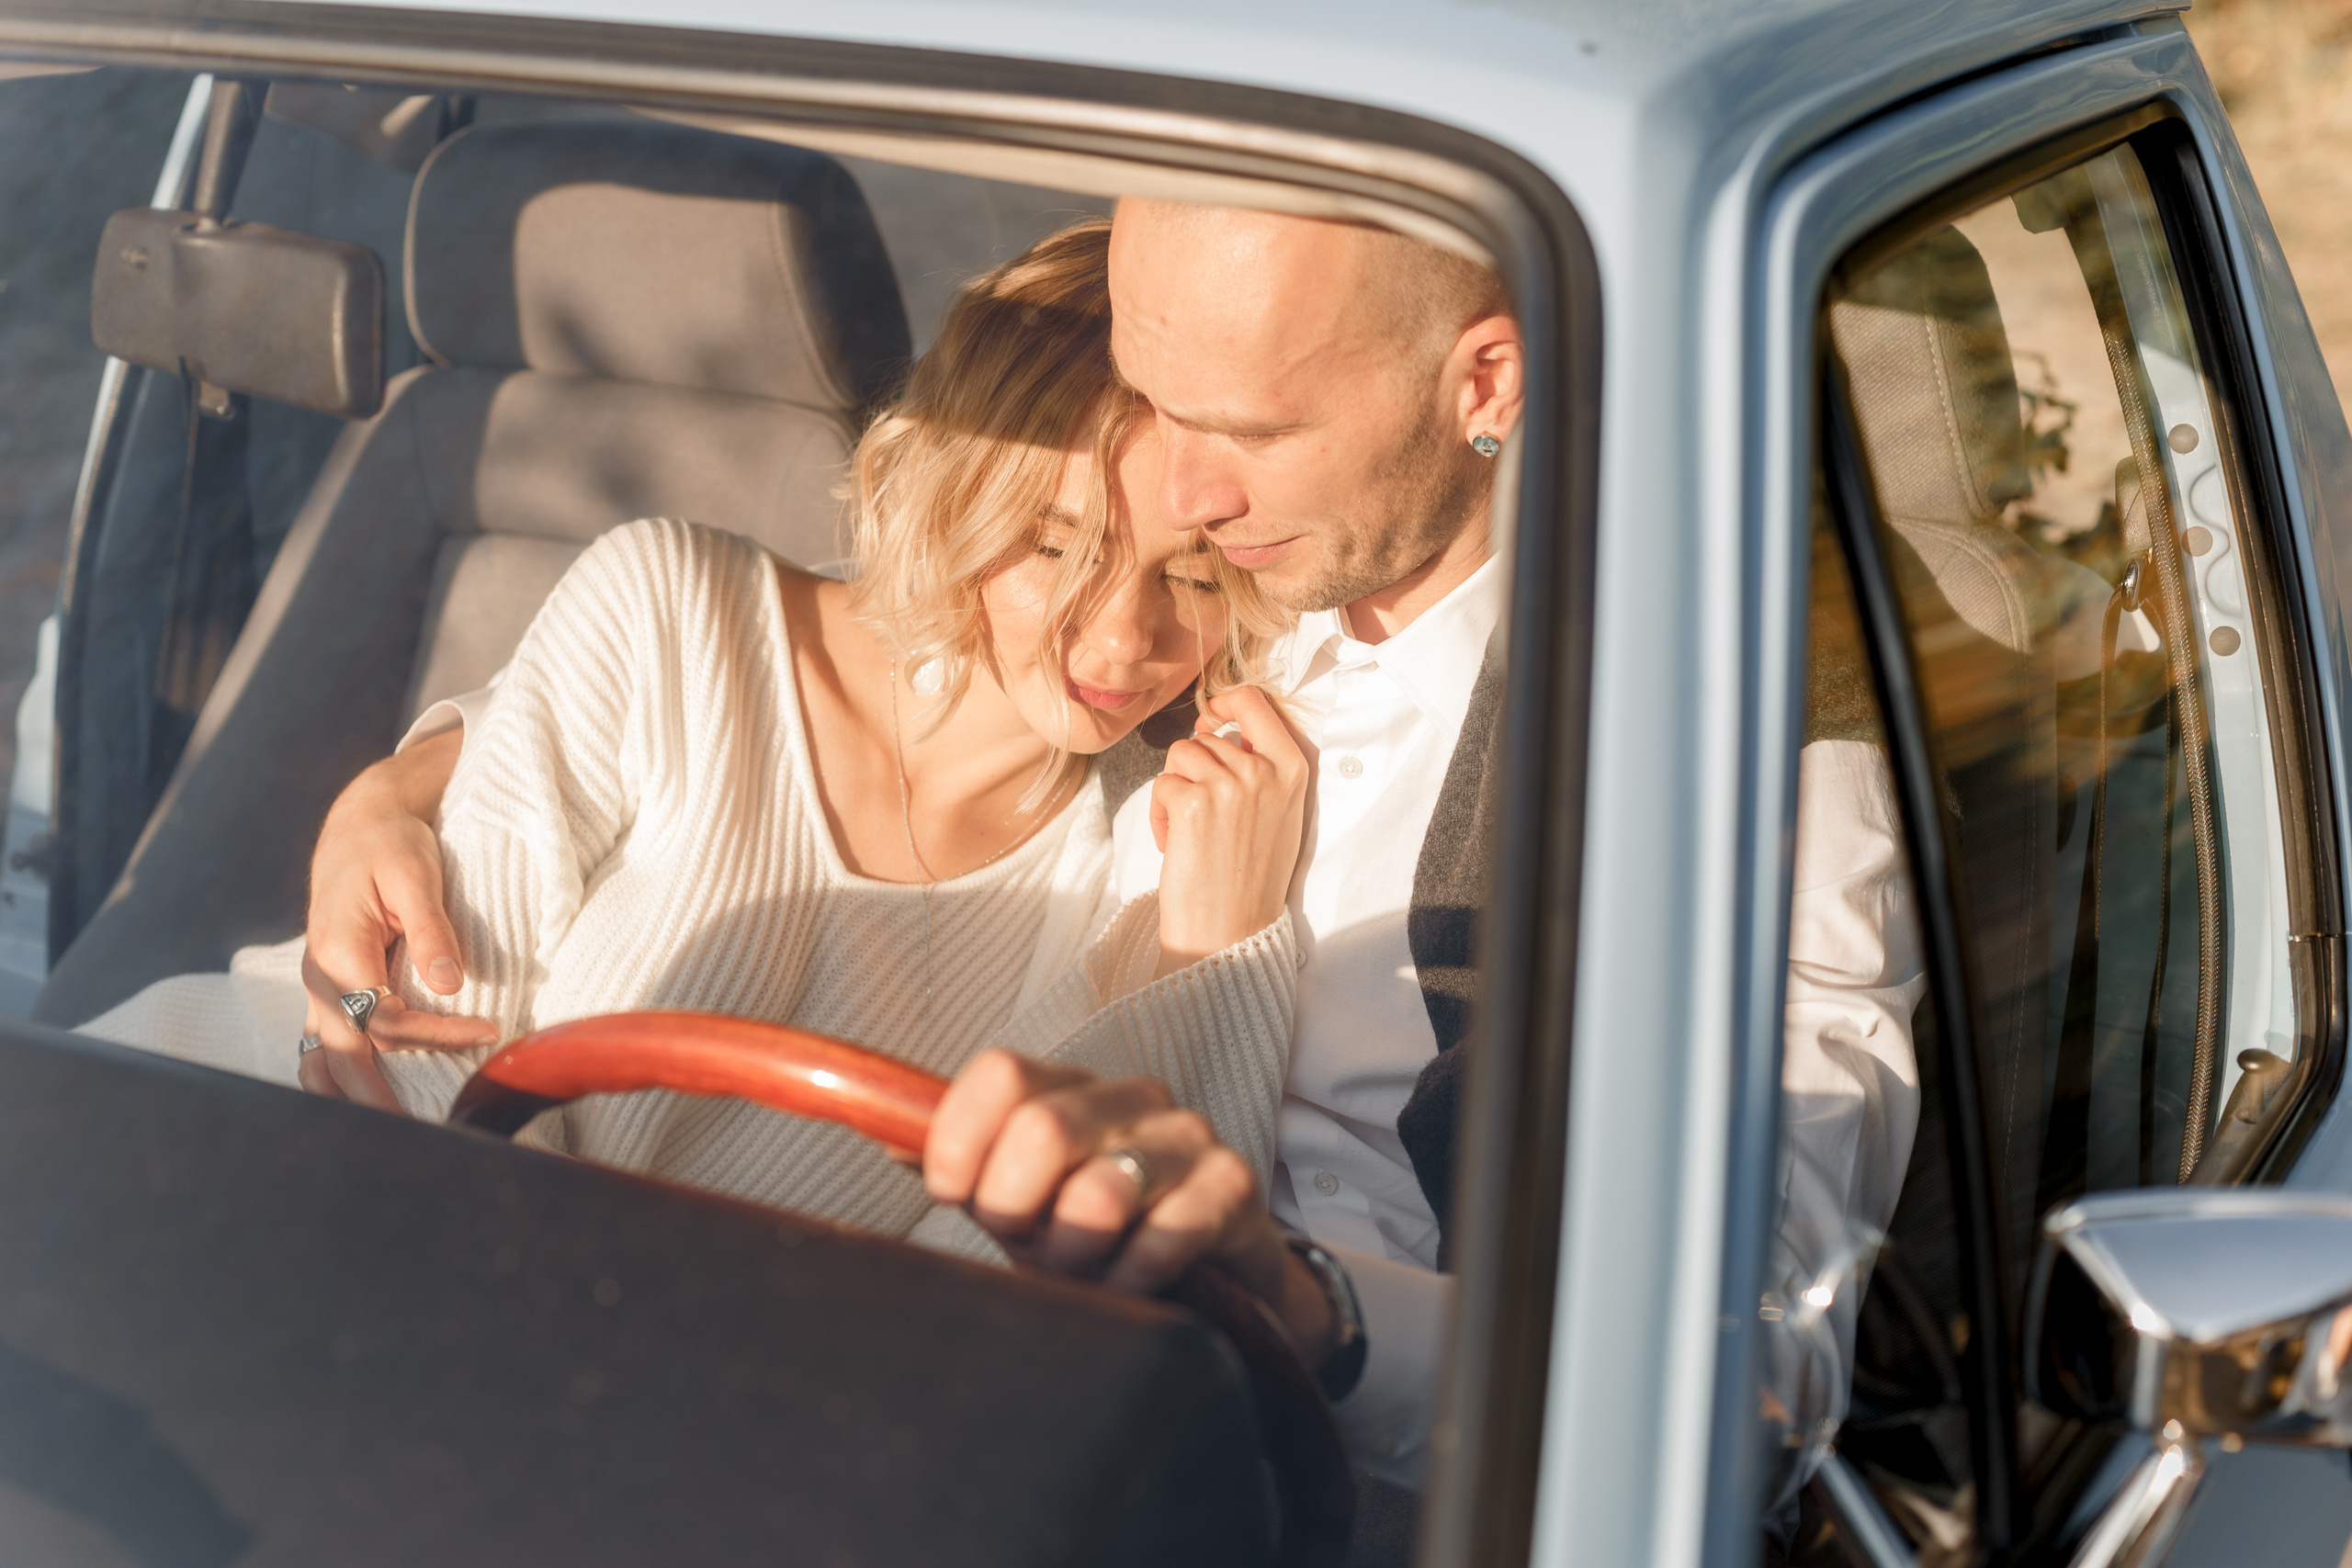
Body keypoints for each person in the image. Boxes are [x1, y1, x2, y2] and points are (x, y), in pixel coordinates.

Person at [301, 199, 1919, 1527]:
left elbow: (1757, 1378)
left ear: (1485, 383)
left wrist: (1309, 1310)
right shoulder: (1174, 651)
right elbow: (840, 662)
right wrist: (418, 767)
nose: (1190, 500)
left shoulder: (1732, 707)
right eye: (1163, 404)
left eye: (1246, 436)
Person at [78, 221, 1359, 1352]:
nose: (1123, 642)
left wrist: (1215, 950)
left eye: (1191, 579)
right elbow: (416, 1073)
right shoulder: (669, 609)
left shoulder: (1146, 865)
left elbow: (1015, 1331)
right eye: (1057, 543)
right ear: (961, 487)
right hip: (250, 1158)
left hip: (608, 1392)